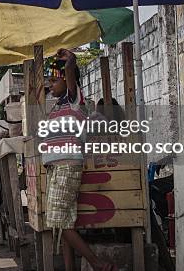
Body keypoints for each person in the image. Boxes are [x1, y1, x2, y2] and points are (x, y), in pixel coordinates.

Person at [44, 48, 116, 271]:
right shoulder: (56, 105)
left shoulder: (75, 99)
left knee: (56, 220)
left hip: (67, 164)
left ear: (67, 80)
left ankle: (98, 264)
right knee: (65, 223)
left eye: (54, 81)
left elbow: (69, 72)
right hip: (57, 166)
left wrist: (70, 61)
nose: (50, 85)